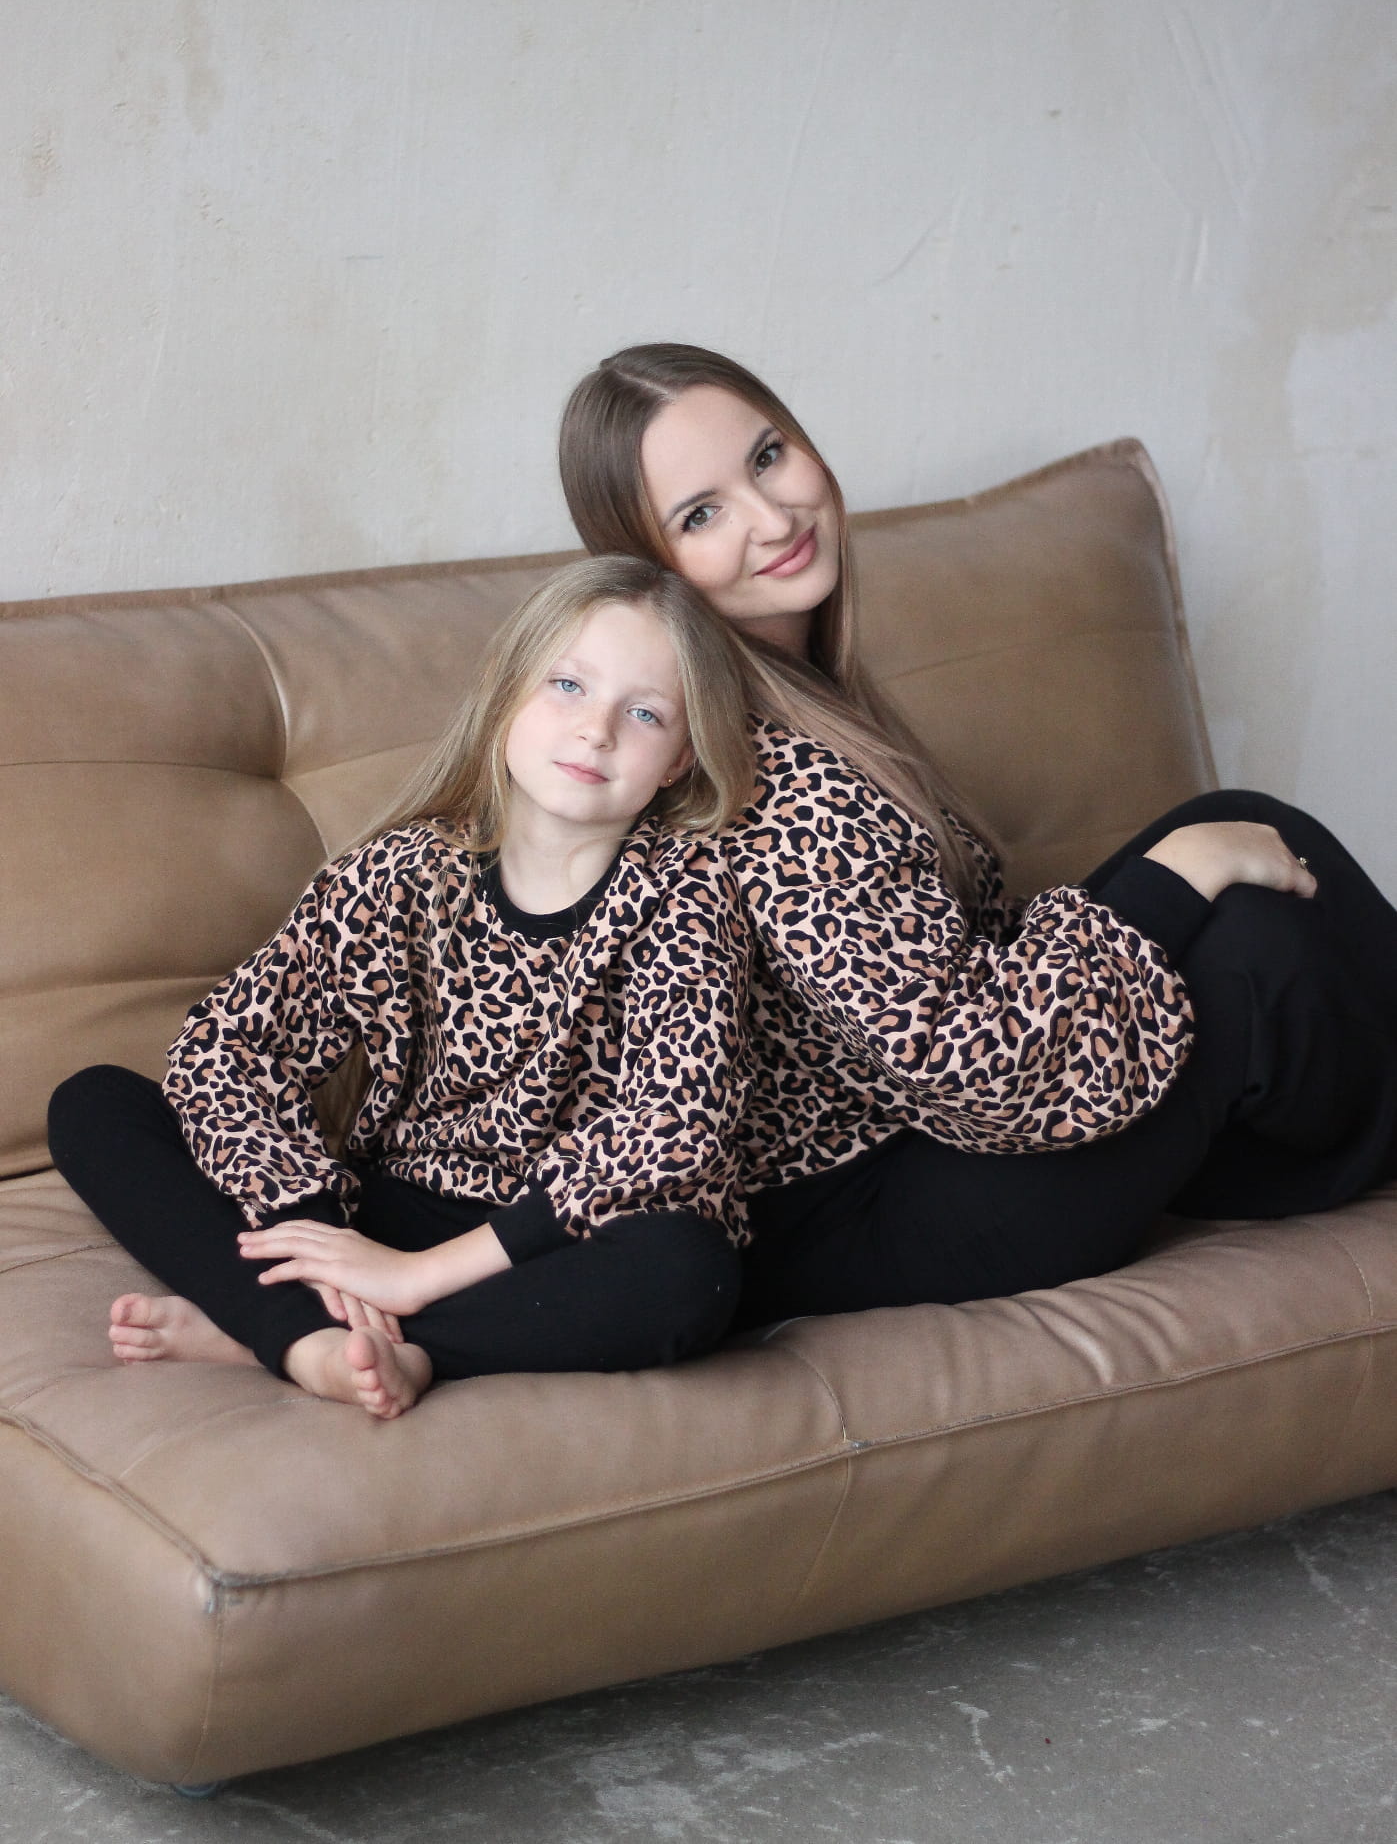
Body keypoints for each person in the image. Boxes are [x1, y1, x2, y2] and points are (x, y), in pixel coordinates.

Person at [558, 343, 1397, 1326]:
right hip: (872, 1209)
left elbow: (939, 977)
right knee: (1254, 943)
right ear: (652, 569)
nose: (772, 518)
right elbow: (976, 1072)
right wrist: (1167, 886)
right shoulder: (757, 772)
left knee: (1235, 828)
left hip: (917, 1126)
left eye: (767, 456)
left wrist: (1177, 874)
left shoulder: (802, 690)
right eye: (700, 515)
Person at [47, 556, 758, 1418]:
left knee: (691, 1272)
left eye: (643, 713)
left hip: (545, 1239)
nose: (596, 730)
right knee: (92, 1103)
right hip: (392, 1203)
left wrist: (416, 1278)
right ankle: (307, 1330)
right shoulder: (401, 871)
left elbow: (675, 1128)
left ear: (680, 758)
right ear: (507, 694)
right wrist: (321, 1237)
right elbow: (228, 1046)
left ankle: (316, 1338)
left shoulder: (688, 894)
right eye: (567, 684)